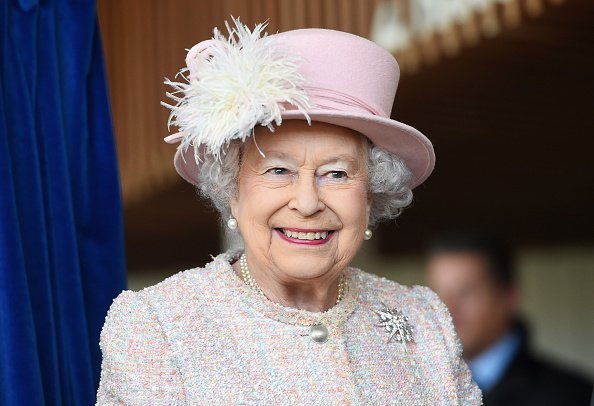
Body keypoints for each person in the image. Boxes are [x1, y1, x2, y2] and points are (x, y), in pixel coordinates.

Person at [95, 19, 481, 404]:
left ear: (370, 196)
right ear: (233, 190)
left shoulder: (424, 320)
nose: (308, 202)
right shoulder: (157, 327)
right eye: (279, 170)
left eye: (336, 173)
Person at [425, 231, 593, 406]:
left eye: (466, 292)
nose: (447, 308)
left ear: (509, 297)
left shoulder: (572, 396)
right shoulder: (413, 392)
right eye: (437, 294)